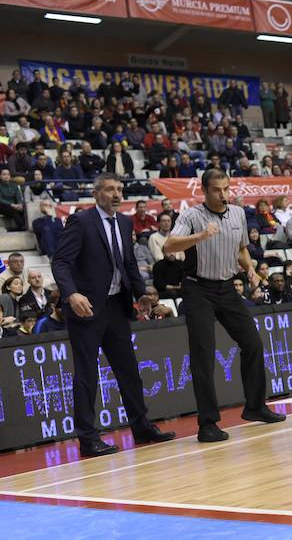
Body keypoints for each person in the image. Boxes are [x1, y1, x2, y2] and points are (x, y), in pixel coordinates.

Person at [51, 172, 175, 457]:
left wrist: (141, 292)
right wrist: (71, 294)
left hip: (117, 306)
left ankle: (141, 427)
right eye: (110, 189)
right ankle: (88, 438)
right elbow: (61, 262)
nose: (117, 194)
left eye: (120, 189)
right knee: (86, 375)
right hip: (86, 309)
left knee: (129, 371)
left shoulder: (124, 221)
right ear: (97, 194)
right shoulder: (81, 221)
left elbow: (128, 264)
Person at [164, 169, 286, 442]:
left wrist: (250, 270)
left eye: (226, 189)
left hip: (228, 287)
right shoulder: (191, 216)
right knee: (204, 354)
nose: (223, 195)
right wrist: (199, 237)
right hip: (198, 289)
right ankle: (207, 424)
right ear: (204, 191)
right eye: (217, 190)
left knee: (253, 343)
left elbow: (242, 248)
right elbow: (169, 246)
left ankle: (255, 406)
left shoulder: (238, 214)